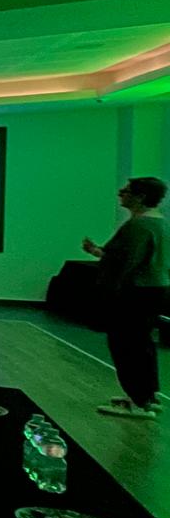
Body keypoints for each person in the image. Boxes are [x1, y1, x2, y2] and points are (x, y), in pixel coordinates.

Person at [83, 176, 167, 419]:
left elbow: (123, 263)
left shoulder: (138, 226)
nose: (121, 193)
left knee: (127, 346)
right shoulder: (161, 223)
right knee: (143, 345)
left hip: (134, 293)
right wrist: (98, 252)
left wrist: (106, 293)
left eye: (127, 191)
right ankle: (147, 397)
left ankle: (138, 402)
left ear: (140, 196)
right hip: (155, 290)